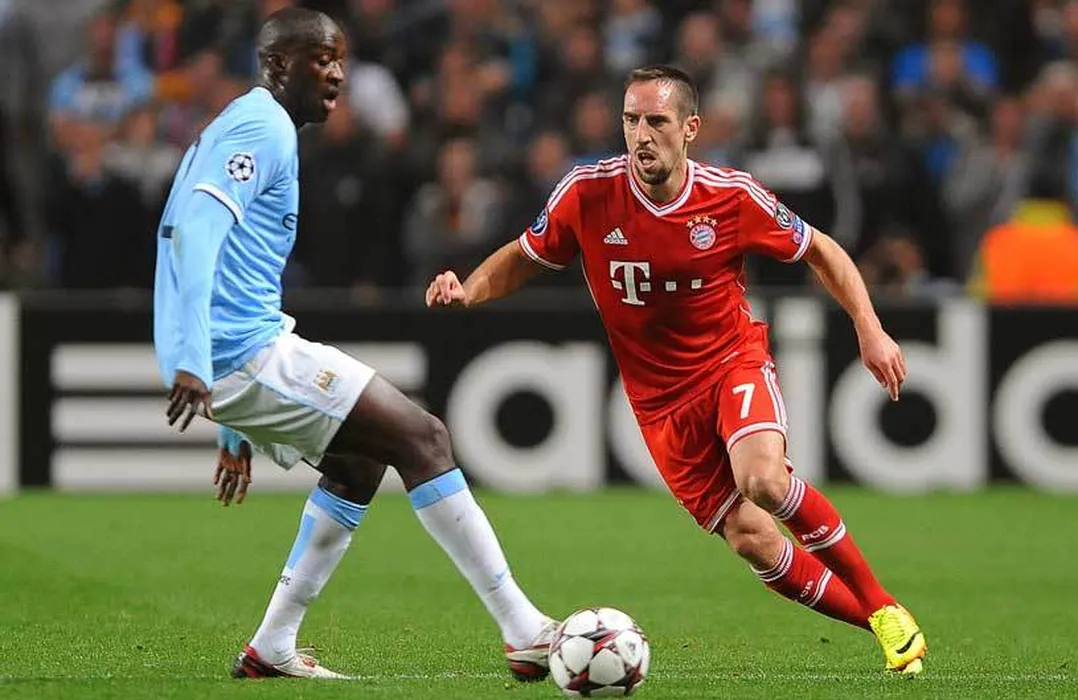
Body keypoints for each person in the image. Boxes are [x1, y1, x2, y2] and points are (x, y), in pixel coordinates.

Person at [427, 65, 927, 675]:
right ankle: (885, 623)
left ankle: (880, 605)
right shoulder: (587, 192)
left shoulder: (731, 196)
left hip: (731, 363)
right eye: (631, 120)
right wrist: (469, 290)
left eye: (657, 121)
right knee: (752, 539)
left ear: (690, 128)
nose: (642, 135)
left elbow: (822, 249)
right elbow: (525, 256)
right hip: (660, 405)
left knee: (764, 481)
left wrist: (869, 327)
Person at [153, 7, 556, 681]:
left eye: (340, 59)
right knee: (423, 437)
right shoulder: (261, 126)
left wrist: (229, 418)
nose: (338, 74)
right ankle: (524, 629)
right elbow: (194, 231)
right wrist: (197, 360)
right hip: (241, 351)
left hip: (237, 351)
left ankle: (272, 646)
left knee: (359, 463)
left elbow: (208, 247)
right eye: (321, 59)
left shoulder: (248, 124)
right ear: (277, 64)